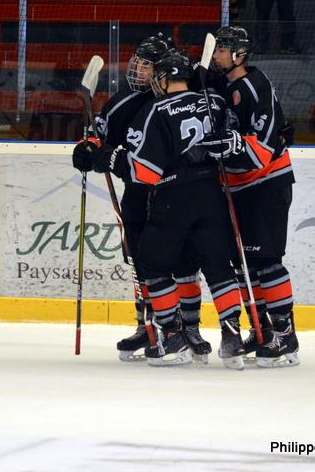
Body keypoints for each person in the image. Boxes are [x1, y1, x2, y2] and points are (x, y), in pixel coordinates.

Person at [90, 49, 248, 370]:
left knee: (152, 262)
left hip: (173, 197)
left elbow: (144, 172)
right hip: (213, 196)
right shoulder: (214, 101)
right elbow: (235, 140)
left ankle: (174, 339)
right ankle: (232, 340)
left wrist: (110, 158)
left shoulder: (157, 109)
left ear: (163, 80)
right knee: (219, 267)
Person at [72, 35, 211, 362]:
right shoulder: (123, 101)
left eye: (147, 65)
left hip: (177, 193)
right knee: (141, 261)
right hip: (137, 191)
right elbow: (98, 137)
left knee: (184, 262)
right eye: (138, 62)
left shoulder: (184, 99)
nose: (138, 69)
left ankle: (189, 328)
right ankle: (147, 325)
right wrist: (87, 150)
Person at [211, 26, 299, 368]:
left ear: (240, 54)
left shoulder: (254, 85)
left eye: (223, 48)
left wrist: (232, 144)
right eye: (216, 48)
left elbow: (262, 147)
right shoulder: (223, 86)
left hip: (267, 183)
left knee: (267, 261)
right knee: (245, 264)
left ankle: (285, 336)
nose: (217, 54)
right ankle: (262, 332)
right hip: (239, 187)